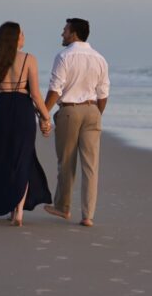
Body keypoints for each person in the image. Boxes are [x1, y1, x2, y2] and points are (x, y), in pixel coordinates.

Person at [0, 22, 54, 226]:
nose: (24, 37)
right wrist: (46, 118)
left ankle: (4, 203)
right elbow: (36, 95)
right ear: (15, 37)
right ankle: (18, 212)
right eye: (22, 33)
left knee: (1, 156)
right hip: (22, 110)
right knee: (22, 157)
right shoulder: (29, 59)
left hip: (0, 108)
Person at [42, 18, 110, 228]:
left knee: (66, 161)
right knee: (91, 166)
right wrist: (95, 113)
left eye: (65, 30)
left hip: (70, 111)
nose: (62, 34)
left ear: (73, 33)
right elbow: (103, 92)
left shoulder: (64, 56)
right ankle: (88, 215)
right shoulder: (100, 58)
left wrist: (44, 113)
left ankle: (63, 207)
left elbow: (56, 89)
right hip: (93, 111)